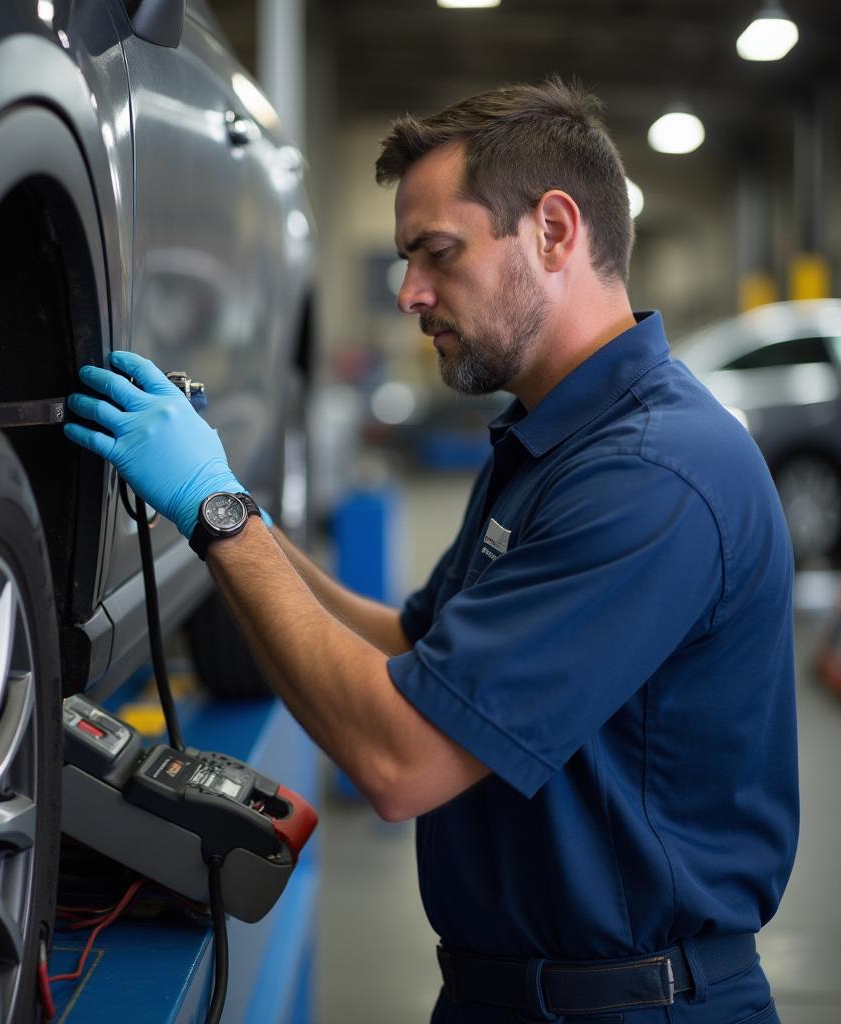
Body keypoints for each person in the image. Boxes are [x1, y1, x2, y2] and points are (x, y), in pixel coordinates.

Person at [64, 79, 799, 1024]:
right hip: (508, 991)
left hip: (633, 1006)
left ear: (555, 231)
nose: (409, 292)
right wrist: (235, 510)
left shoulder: (655, 477)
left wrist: (215, 514)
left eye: (437, 255)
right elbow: (406, 651)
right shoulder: (548, 440)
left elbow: (400, 759)